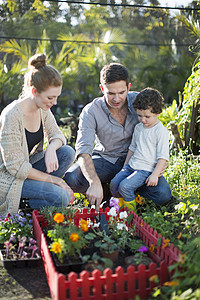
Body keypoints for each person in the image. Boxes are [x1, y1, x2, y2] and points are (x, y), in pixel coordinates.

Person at [64, 63, 171, 210]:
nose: (116, 99)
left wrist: (159, 164)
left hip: (138, 162)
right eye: (111, 93)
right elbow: (83, 151)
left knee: (163, 194)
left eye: (121, 92)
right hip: (106, 160)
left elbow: (156, 128)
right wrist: (94, 182)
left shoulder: (139, 102)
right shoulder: (91, 111)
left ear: (128, 87)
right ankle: (107, 189)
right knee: (71, 178)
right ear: (102, 89)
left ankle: (128, 191)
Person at [0, 53, 75, 217]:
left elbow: (58, 136)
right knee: (61, 196)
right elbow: (15, 167)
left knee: (67, 152)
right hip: (9, 178)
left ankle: (38, 194)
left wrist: (50, 149)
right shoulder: (11, 116)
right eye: (50, 97)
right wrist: (55, 180)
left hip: (28, 171)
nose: (54, 102)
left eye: (56, 97)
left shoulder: (43, 109)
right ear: (34, 91)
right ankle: (22, 204)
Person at [110, 87, 169, 211]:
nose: (143, 120)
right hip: (132, 166)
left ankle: (129, 215)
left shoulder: (160, 131)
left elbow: (163, 157)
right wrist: (125, 167)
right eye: (139, 116)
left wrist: (155, 175)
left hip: (145, 170)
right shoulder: (138, 128)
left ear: (158, 112)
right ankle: (120, 207)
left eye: (147, 116)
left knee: (125, 187)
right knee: (115, 184)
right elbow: (132, 148)